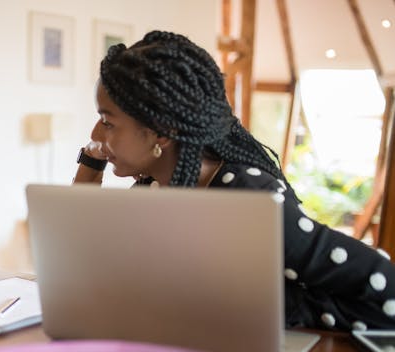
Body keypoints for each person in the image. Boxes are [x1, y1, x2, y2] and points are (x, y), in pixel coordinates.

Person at [73, 30, 395, 332]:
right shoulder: (154, 186)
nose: (95, 134)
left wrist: (287, 314)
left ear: (161, 132)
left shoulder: (247, 196)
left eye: (107, 122)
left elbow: (380, 281)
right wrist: (91, 163)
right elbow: (80, 255)